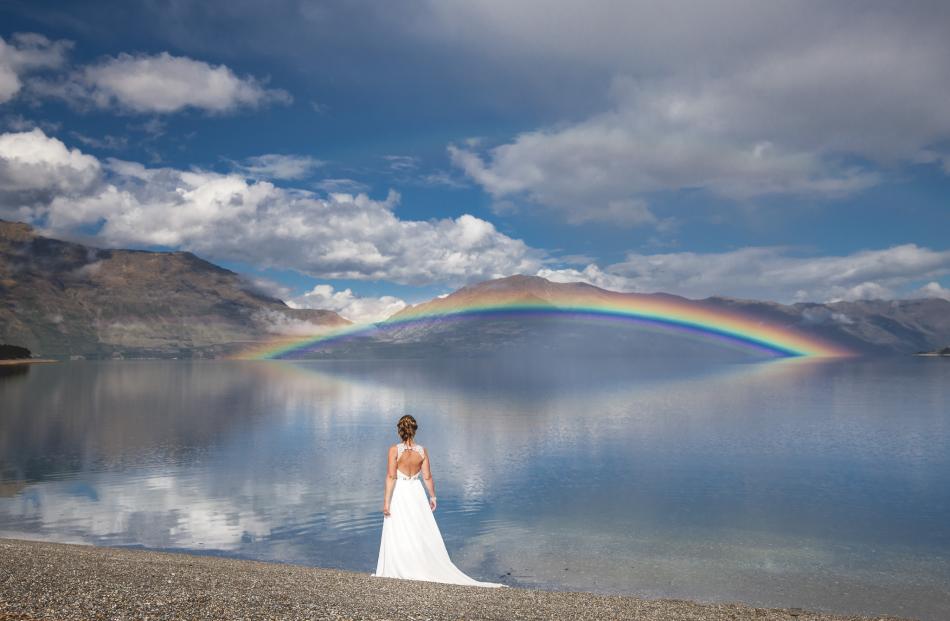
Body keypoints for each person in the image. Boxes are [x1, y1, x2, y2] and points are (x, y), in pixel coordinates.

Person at [373, 414, 505, 587]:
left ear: (400, 431)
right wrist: (433, 496)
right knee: (418, 529)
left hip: (401, 493)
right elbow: (427, 476)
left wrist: (386, 502)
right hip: (416, 493)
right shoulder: (422, 451)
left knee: (400, 529)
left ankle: (402, 567)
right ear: (414, 431)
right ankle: (419, 566)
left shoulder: (394, 450)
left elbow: (391, 476)